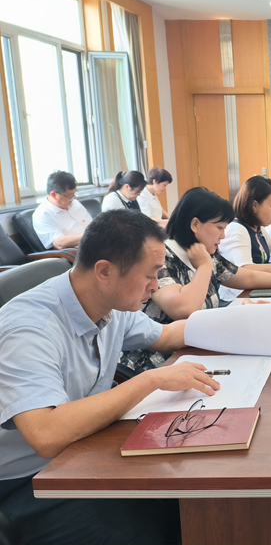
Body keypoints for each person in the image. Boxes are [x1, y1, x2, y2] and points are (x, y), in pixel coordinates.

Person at [0, 209, 218, 545]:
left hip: (83, 452)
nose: (155, 285)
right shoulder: (30, 328)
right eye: (150, 274)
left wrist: (246, 325)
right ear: (105, 271)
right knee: (148, 532)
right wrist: (151, 380)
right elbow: (46, 434)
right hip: (26, 480)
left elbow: (166, 335)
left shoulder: (109, 302)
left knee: (188, 500)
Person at [122, 187, 271, 374]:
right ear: (195, 224)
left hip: (199, 349)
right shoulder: (163, 257)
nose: (223, 235)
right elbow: (184, 309)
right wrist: (204, 266)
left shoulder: (206, 253)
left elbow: (248, 277)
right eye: (219, 227)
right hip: (162, 363)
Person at [218, 176, 271, 300]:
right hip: (237, 298)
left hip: (257, 291)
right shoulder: (237, 230)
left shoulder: (257, 227)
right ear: (255, 205)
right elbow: (246, 269)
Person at [32, 170, 93, 249]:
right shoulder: (42, 214)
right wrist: (91, 236)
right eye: (69, 195)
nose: (74, 198)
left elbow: (91, 225)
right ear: (53, 195)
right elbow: (59, 243)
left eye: (75, 193)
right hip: (78, 252)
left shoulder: (75, 203)